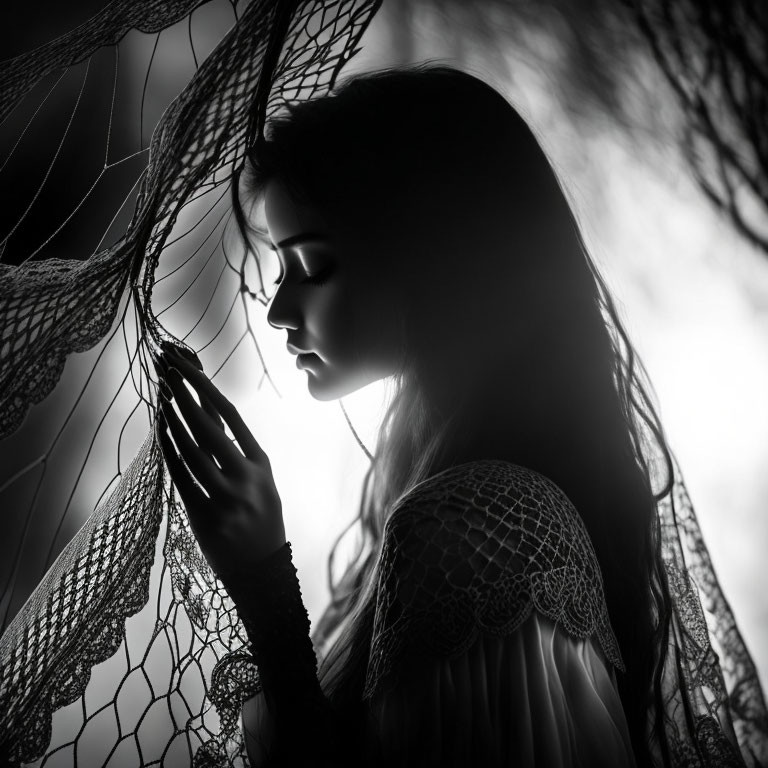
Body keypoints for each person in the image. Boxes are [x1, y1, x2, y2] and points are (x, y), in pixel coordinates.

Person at [155, 64, 756, 767]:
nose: (280, 311)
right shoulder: (455, 490)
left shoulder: (470, 526)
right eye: (282, 269)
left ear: (431, 260)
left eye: (313, 266)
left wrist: (264, 585)